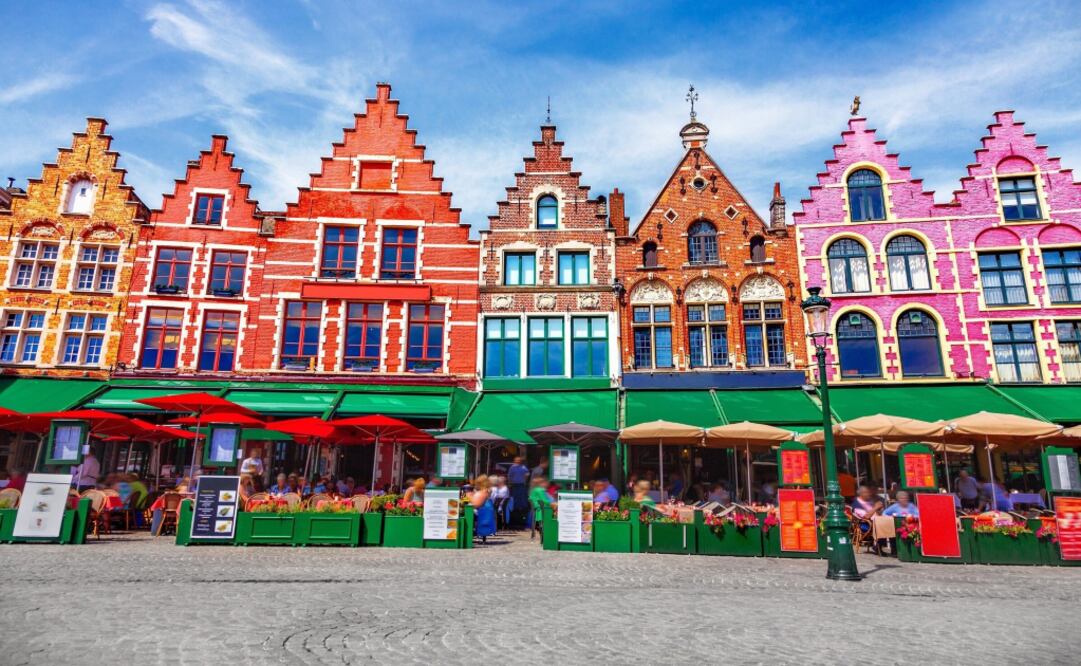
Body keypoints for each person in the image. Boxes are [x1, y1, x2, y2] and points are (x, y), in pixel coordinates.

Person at [471, 475, 497, 541]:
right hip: (487, 511)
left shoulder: (483, 491)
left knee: (469, 513)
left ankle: (470, 532)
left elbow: (477, 504)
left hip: (482, 511)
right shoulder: (488, 490)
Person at [507, 456, 530, 527]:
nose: (517, 461)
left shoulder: (523, 467)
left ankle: (522, 512)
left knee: (522, 498)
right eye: (516, 460)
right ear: (514, 461)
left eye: (519, 460)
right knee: (515, 499)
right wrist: (509, 483)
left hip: (521, 485)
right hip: (515, 485)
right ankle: (516, 513)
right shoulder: (512, 467)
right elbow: (509, 476)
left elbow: (527, 474)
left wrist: (525, 479)